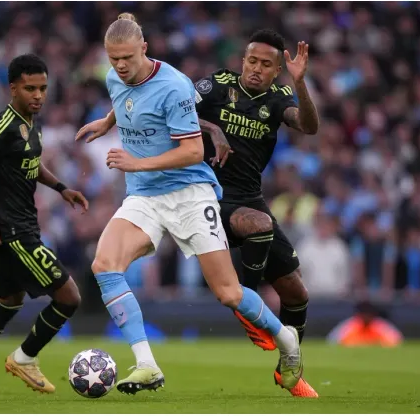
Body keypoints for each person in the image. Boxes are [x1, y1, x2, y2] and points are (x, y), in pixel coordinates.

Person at [76, 14, 302, 395]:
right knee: (104, 265)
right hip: (144, 195)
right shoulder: (115, 76)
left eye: (128, 57)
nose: (121, 66)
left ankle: (286, 338)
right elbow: (126, 96)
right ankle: (146, 365)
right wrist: (108, 121)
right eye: (114, 59)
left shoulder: (175, 86)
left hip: (189, 194)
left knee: (228, 293)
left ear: (144, 48)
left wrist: (137, 163)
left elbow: (194, 150)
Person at [0, 54, 89, 394]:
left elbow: (31, 164)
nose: (38, 95)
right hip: (13, 232)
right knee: (69, 297)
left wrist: (61, 188)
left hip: (17, 228)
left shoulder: (30, 123)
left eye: (43, 88)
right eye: (30, 89)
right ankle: (25, 358)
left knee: (8, 301)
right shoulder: (1, 127)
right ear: (12, 88)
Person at [193, 29, 320, 397]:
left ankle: (288, 368)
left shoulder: (279, 98)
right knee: (260, 225)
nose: (256, 69)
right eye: (252, 61)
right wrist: (212, 129)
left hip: (250, 197)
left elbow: (310, 127)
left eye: (266, 65)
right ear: (243, 61)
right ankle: (249, 307)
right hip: (209, 195)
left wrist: (301, 83)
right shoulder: (217, 86)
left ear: (277, 70)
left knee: (296, 292)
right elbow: (172, 113)